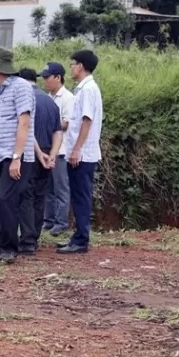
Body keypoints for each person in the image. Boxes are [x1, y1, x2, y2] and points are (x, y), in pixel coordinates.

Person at [0, 47, 34, 264]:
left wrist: (17, 157)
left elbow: (24, 122)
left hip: (14, 156)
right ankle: (0, 248)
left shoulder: (21, 87)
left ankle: (10, 249)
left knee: (8, 200)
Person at [58, 49, 104, 255]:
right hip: (80, 151)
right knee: (78, 195)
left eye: (72, 63)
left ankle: (81, 239)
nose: (71, 67)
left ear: (81, 66)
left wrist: (77, 149)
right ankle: (78, 236)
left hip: (83, 153)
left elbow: (87, 120)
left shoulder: (87, 89)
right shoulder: (83, 89)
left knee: (81, 196)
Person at [17, 68, 62, 254]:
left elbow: (24, 129)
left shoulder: (25, 100)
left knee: (26, 196)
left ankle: (27, 240)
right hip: (46, 152)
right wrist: (52, 154)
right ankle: (34, 237)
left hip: (30, 152)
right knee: (39, 196)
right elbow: (58, 131)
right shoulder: (50, 102)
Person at [40, 62, 75, 235]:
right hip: (49, 150)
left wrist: (49, 125)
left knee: (61, 188)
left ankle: (61, 223)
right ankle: (48, 221)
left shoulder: (67, 98)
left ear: (58, 77)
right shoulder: (48, 97)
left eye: (47, 77)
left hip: (61, 151)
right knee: (49, 189)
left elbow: (66, 123)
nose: (45, 81)